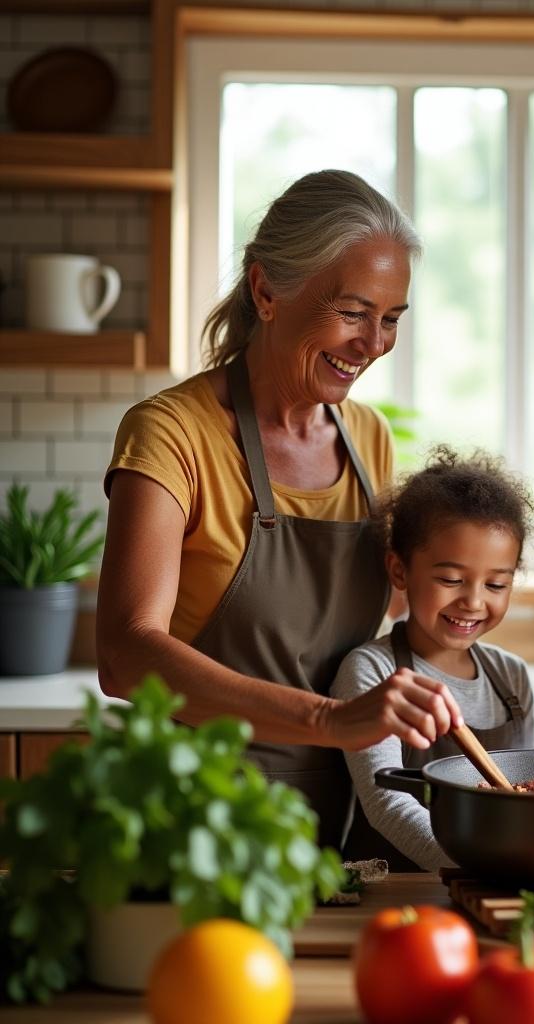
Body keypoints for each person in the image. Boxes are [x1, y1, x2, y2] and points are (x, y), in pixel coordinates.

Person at [96, 170, 463, 849]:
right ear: (267, 291)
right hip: (198, 826)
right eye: (353, 313)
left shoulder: (368, 439)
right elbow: (124, 656)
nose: (373, 343)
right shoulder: (172, 433)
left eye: (390, 320)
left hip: (344, 832)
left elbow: (377, 627)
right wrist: (329, 719)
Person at [332, 446, 534, 870]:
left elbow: (521, 797)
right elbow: (385, 802)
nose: (473, 601)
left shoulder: (511, 680)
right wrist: (477, 868)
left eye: (496, 585)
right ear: (399, 571)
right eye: (451, 579)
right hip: (394, 892)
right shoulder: (373, 672)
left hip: (488, 885)